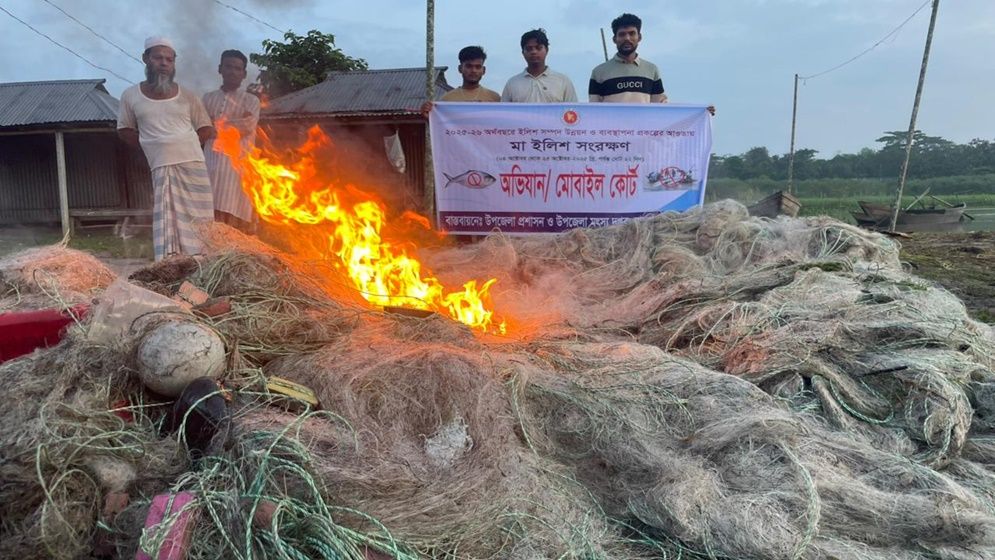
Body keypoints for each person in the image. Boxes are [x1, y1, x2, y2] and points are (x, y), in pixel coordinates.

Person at [117, 36, 215, 261]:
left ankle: (203, 264)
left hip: (194, 166)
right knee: (167, 219)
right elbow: (125, 130)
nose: (164, 63)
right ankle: (172, 265)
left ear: (173, 64)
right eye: (158, 58)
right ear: (145, 59)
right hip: (161, 166)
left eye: (169, 60)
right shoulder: (130, 95)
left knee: (200, 220)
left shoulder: (188, 95)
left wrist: (184, 144)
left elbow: (207, 128)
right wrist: (152, 147)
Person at [589, 13, 715, 114]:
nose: (627, 38)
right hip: (613, 140)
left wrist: (699, 112)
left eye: (632, 33)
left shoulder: (651, 70)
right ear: (614, 39)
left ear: (639, 37)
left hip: (644, 139)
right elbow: (592, 112)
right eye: (622, 34)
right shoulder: (599, 72)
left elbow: (662, 108)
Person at [202, 49, 261, 232]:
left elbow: (247, 126)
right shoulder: (207, 98)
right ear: (220, 69)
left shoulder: (251, 100)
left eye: (238, 68)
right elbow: (202, 127)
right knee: (209, 214)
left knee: (237, 216)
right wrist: (229, 124)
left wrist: (216, 125)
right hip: (210, 164)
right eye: (228, 67)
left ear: (244, 74)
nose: (232, 71)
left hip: (237, 168)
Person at [501, 29, 578, 103]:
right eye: (529, 49)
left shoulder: (562, 82)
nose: (534, 52)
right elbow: (504, 113)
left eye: (538, 48)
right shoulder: (512, 83)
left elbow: (574, 111)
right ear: (523, 52)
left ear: (547, 50)